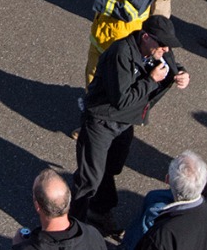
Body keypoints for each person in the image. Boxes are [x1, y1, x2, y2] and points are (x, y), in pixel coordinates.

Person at [72, 19, 190, 231]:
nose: (166, 49)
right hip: (102, 120)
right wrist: (151, 80)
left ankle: (99, 211)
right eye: (162, 44)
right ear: (145, 37)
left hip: (126, 122)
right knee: (89, 179)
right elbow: (121, 100)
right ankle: (73, 227)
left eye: (169, 45)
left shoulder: (159, 51)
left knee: (112, 167)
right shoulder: (121, 53)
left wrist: (182, 73)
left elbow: (172, 66)